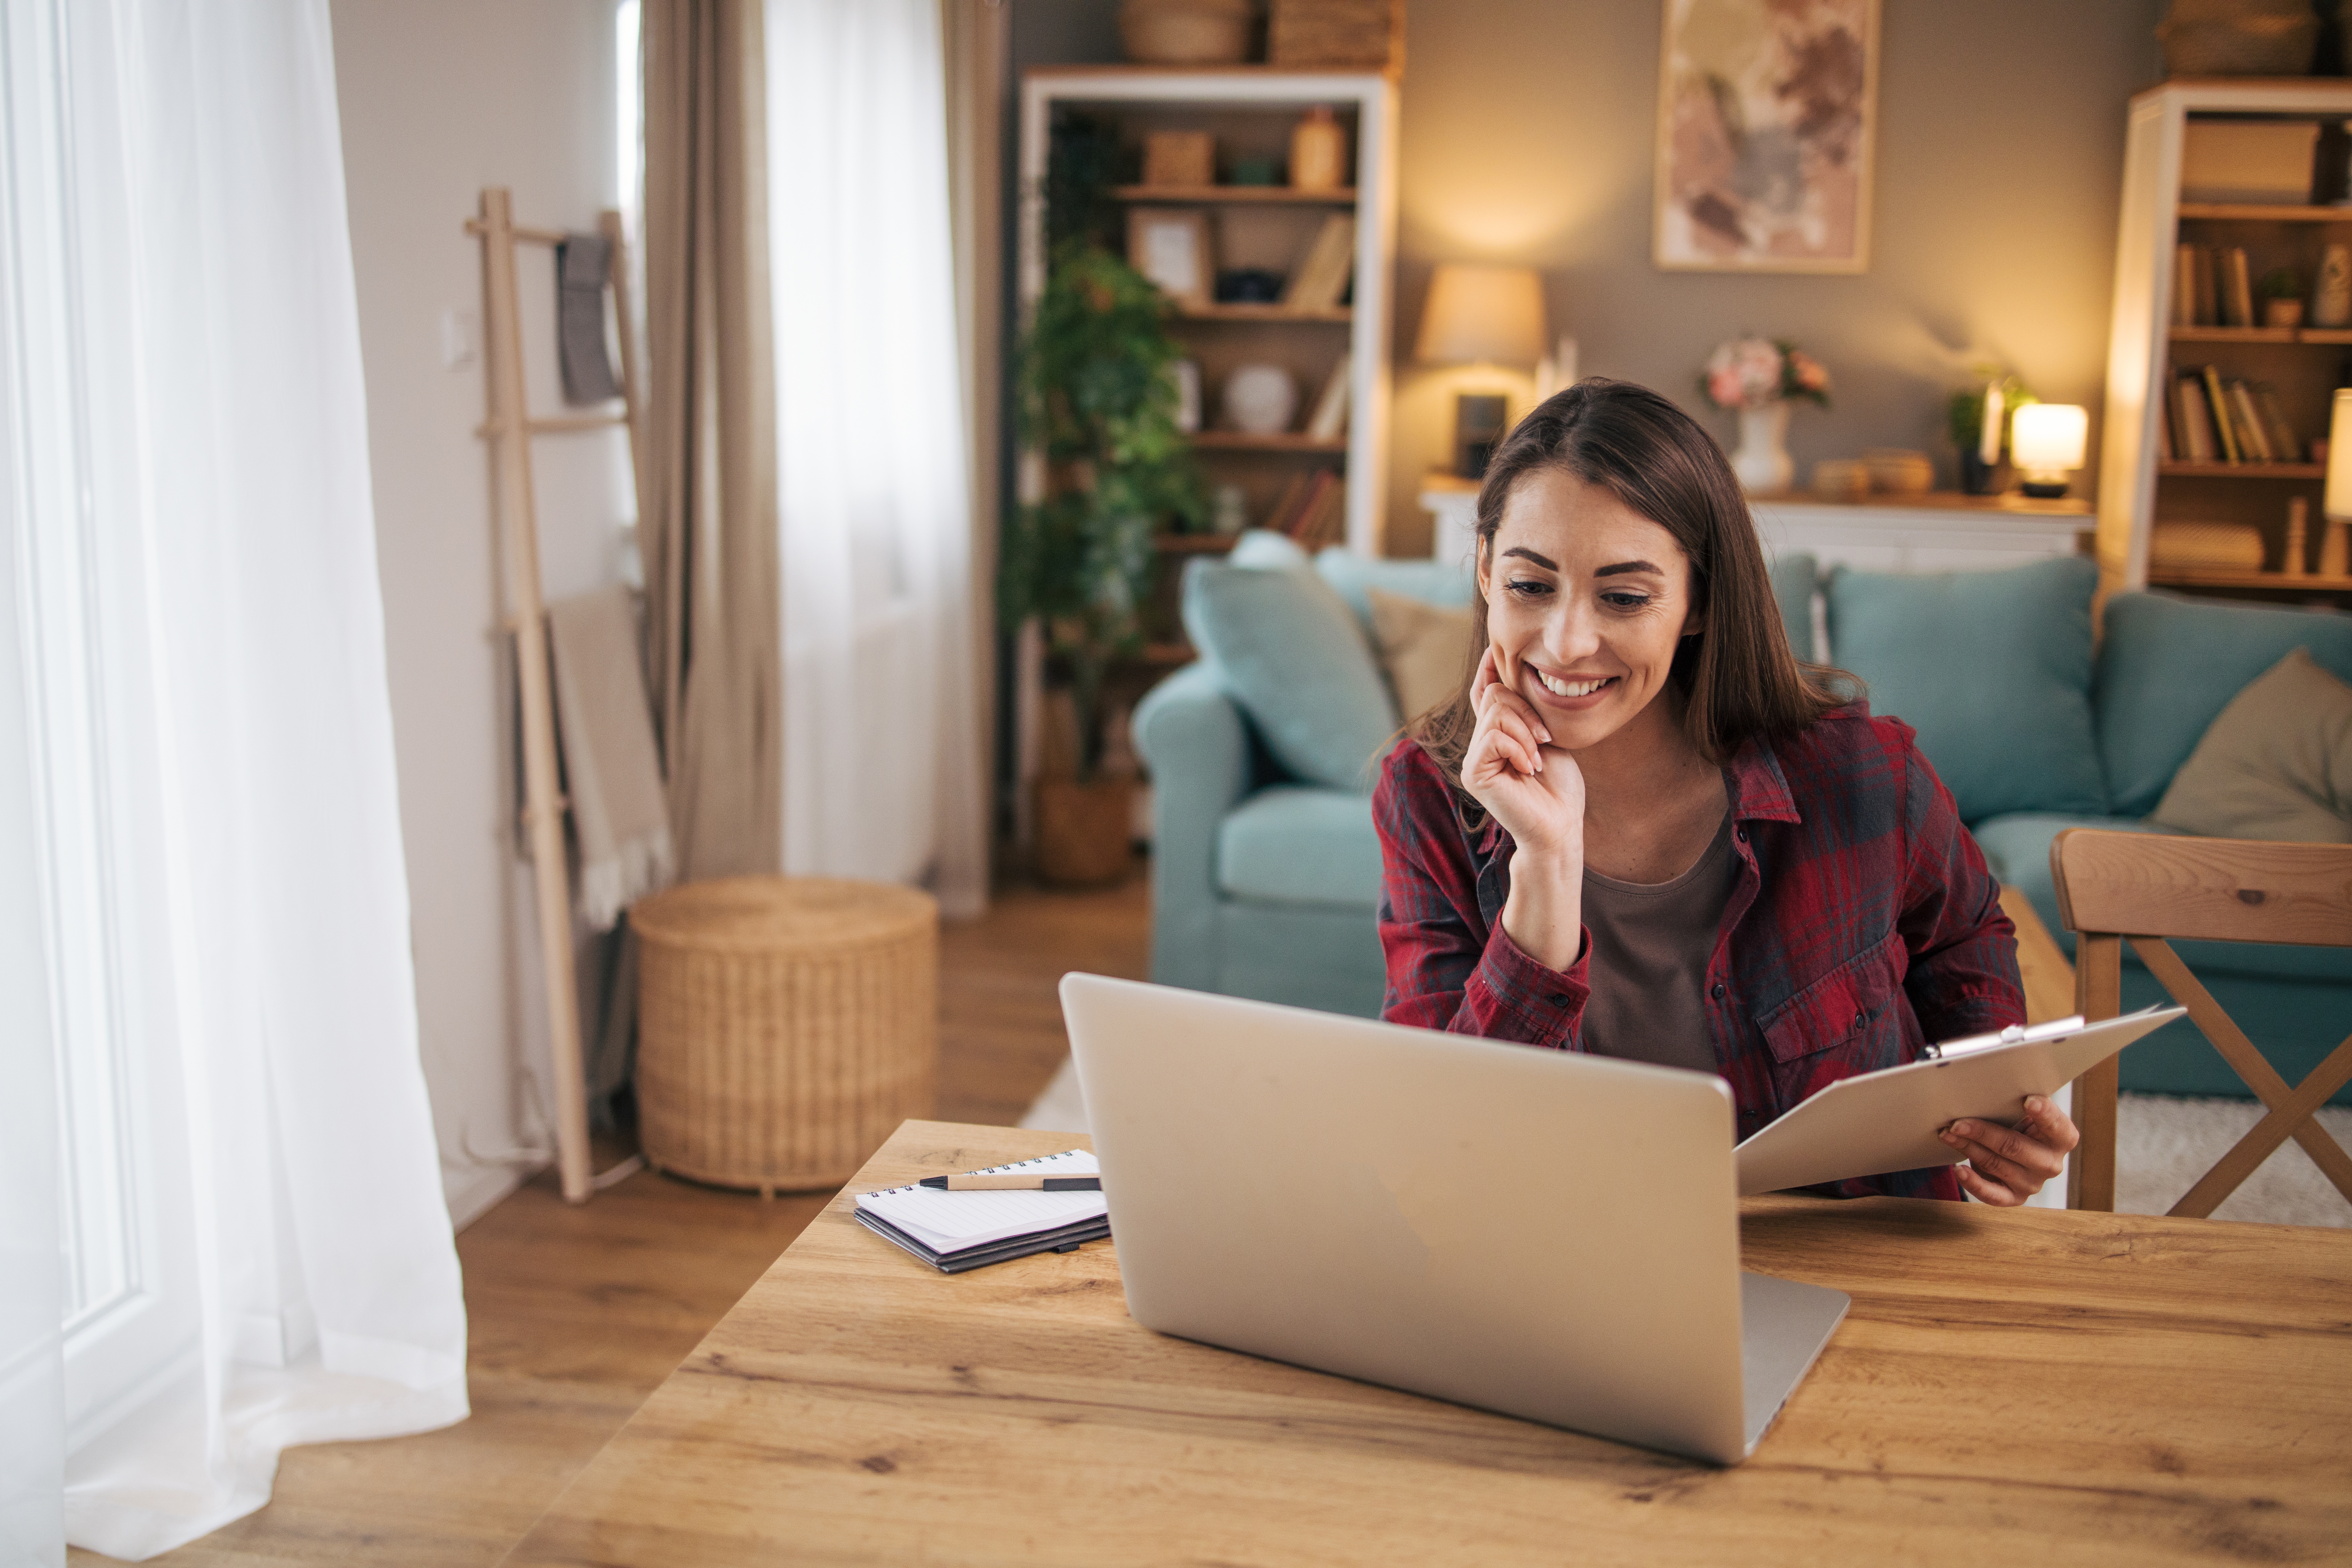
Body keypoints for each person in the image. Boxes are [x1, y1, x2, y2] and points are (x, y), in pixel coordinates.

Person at [1374, 379, 2076, 1204]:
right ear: (1488, 569)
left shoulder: (1861, 770)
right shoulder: (1427, 792)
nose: (1567, 642)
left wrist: (1993, 1112)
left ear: (1698, 600)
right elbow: (1449, 1137)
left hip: (1857, 1258)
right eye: (1532, 585)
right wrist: (1548, 861)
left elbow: (1965, 937)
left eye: (1625, 597)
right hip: (1580, 1257)